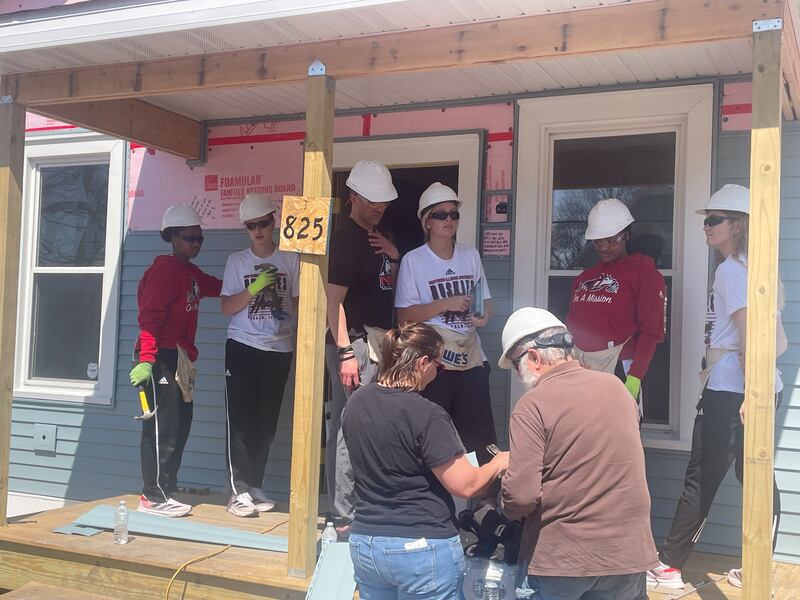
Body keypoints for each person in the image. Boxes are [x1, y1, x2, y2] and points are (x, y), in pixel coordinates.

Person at [647, 184, 784, 591]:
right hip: (754, 388)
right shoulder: (754, 268)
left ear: (737, 225)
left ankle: (669, 567)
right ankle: (759, 565)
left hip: (733, 391)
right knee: (754, 473)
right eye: (706, 220)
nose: (706, 226)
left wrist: (751, 393)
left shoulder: (730, 271)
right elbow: (779, 342)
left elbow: (753, 337)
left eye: (714, 220)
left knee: (701, 476)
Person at [499, 307, 658, 600]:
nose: (518, 375)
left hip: (563, 560)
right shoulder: (618, 389)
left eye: (516, 365)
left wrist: (504, 502)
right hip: (629, 555)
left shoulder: (532, 405)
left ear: (533, 357)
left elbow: (521, 496)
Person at [343, 322, 509, 600]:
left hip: (366, 544)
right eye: (439, 366)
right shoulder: (427, 414)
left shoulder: (356, 402)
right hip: (421, 546)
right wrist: (498, 464)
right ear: (422, 363)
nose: (438, 372)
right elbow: (465, 485)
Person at [130, 203, 222, 517]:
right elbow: (149, 320)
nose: (196, 244)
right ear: (172, 237)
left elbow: (216, 287)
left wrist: (252, 284)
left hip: (180, 358)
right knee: (162, 427)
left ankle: (166, 491)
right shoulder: (163, 272)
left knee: (180, 425)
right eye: (189, 238)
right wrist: (146, 360)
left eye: (199, 238)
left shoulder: (190, 272)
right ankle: (152, 496)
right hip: (159, 356)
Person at [395, 182, 497, 465]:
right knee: (433, 433)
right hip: (435, 362)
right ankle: (434, 491)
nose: (449, 220)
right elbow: (404, 316)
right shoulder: (414, 261)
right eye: (440, 215)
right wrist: (445, 304)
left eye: (454, 214)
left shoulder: (470, 255)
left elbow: (485, 300)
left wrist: (483, 314)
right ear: (427, 221)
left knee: (478, 437)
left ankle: (478, 493)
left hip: (471, 357)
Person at [325, 159, 399, 536]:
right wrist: (345, 352)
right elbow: (332, 301)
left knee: (365, 423)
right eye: (372, 201)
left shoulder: (378, 237)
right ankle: (344, 515)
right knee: (349, 425)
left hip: (377, 341)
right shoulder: (345, 239)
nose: (379, 207)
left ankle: (360, 507)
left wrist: (395, 255)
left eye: (383, 201)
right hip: (354, 341)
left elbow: (387, 287)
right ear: (352, 197)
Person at [220, 193, 299, 517]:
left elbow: (300, 302)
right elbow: (226, 307)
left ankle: (254, 484)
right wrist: (254, 288)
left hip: (280, 346)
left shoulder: (290, 259)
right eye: (251, 226)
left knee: (266, 422)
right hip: (243, 345)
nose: (257, 231)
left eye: (262, 224)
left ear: (273, 222)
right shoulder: (237, 261)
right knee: (240, 420)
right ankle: (237, 491)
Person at [566, 198, 666, 412]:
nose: (603, 247)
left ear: (626, 235)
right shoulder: (585, 278)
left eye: (611, 241)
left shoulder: (644, 274)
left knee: (616, 432)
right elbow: (572, 324)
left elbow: (651, 332)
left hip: (620, 369)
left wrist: (635, 378)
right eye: (597, 242)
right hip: (581, 369)